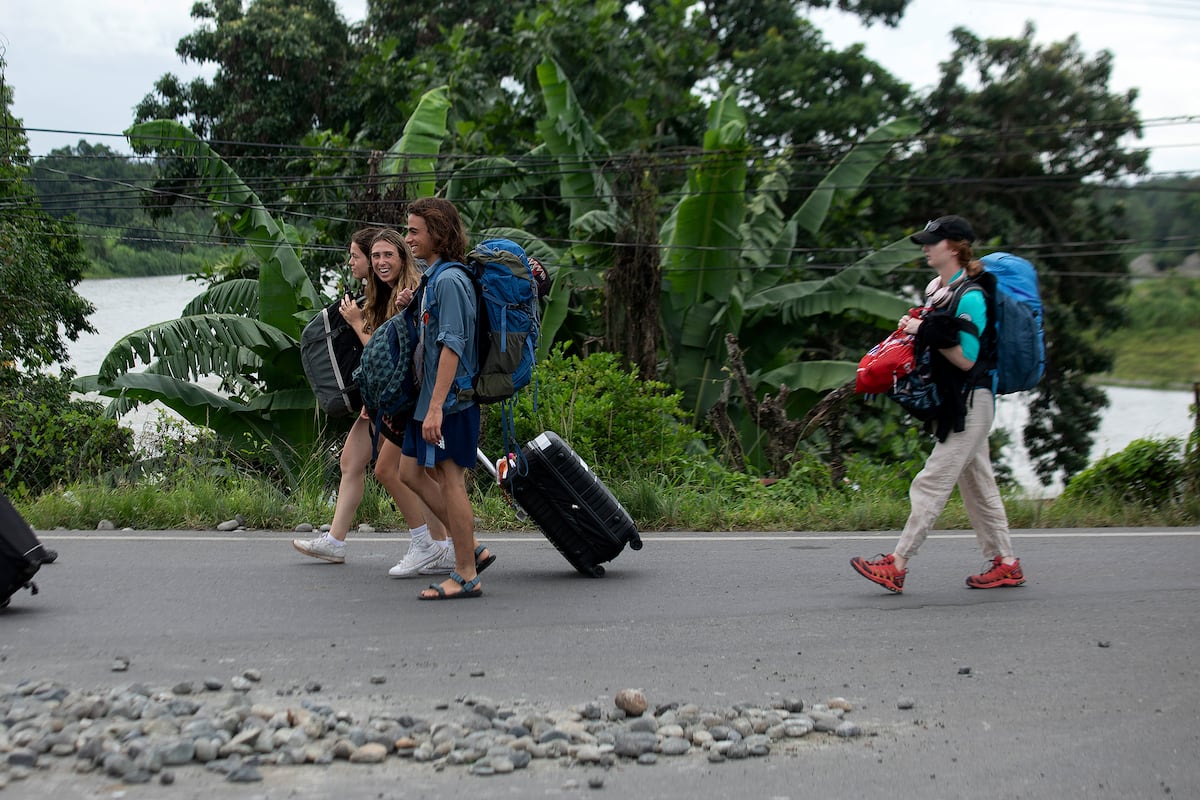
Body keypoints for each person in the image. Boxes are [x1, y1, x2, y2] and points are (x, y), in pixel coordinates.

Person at [850, 215, 1024, 594]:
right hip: (956, 402)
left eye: (933, 241)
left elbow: (966, 359)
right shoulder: (939, 290)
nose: (926, 247)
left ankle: (897, 563)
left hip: (972, 403)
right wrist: (919, 324)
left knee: (931, 481)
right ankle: (1007, 563)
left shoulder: (973, 296)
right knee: (980, 487)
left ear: (955, 247)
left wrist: (922, 329)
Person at [293, 228, 450, 575]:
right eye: (373, 257)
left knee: (401, 472)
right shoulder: (375, 294)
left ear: (400, 256)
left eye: (360, 256)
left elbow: (392, 353)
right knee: (353, 461)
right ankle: (337, 541)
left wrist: (354, 325)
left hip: (402, 398)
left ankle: (436, 542)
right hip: (381, 397)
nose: (361, 262)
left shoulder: (406, 293)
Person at [399, 197, 495, 600]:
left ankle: (466, 572)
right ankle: (468, 545)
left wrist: (437, 406)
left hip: (451, 399)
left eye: (414, 231)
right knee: (409, 472)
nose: (408, 238)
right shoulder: (434, 278)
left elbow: (453, 344)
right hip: (432, 398)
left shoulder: (451, 281)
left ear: (437, 234)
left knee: (453, 481)